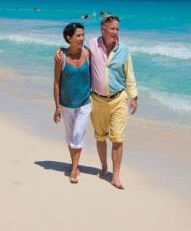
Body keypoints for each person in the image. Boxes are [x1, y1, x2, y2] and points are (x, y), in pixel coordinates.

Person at [56, 14, 138, 189]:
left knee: (117, 138)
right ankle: (104, 167)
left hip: (118, 99)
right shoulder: (92, 45)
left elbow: (129, 74)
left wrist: (133, 96)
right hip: (97, 100)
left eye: (117, 29)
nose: (116, 32)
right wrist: (61, 51)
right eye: (113, 29)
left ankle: (115, 176)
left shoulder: (124, 50)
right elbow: (75, 48)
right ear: (103, 30)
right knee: (100, 137)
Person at [53, 22, 92, 184]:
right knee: (70, 137)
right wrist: (57, 107)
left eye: (83, 35)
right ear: (69, 37)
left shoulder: (88, 54)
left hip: (84, 102)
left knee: (77, 134)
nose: (82, 38)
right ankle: (74, 164)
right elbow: (56, 82)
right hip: (66, 103)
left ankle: (75, 169)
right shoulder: (61, 57)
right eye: (78, 35)